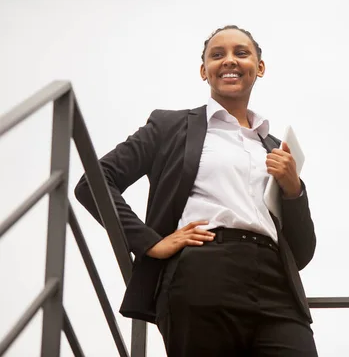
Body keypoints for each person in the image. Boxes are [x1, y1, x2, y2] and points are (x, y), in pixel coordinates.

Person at [74, 25, 318, 356]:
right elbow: (94, 181)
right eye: (217, 55)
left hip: (277, 286)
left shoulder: (277, 148)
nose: (229, 61)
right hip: (202, 274)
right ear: (204, 71)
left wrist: (294, 189)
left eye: (241, 53)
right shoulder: (170, 127)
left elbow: (301, 252)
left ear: (259, 67)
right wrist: (150, 243)